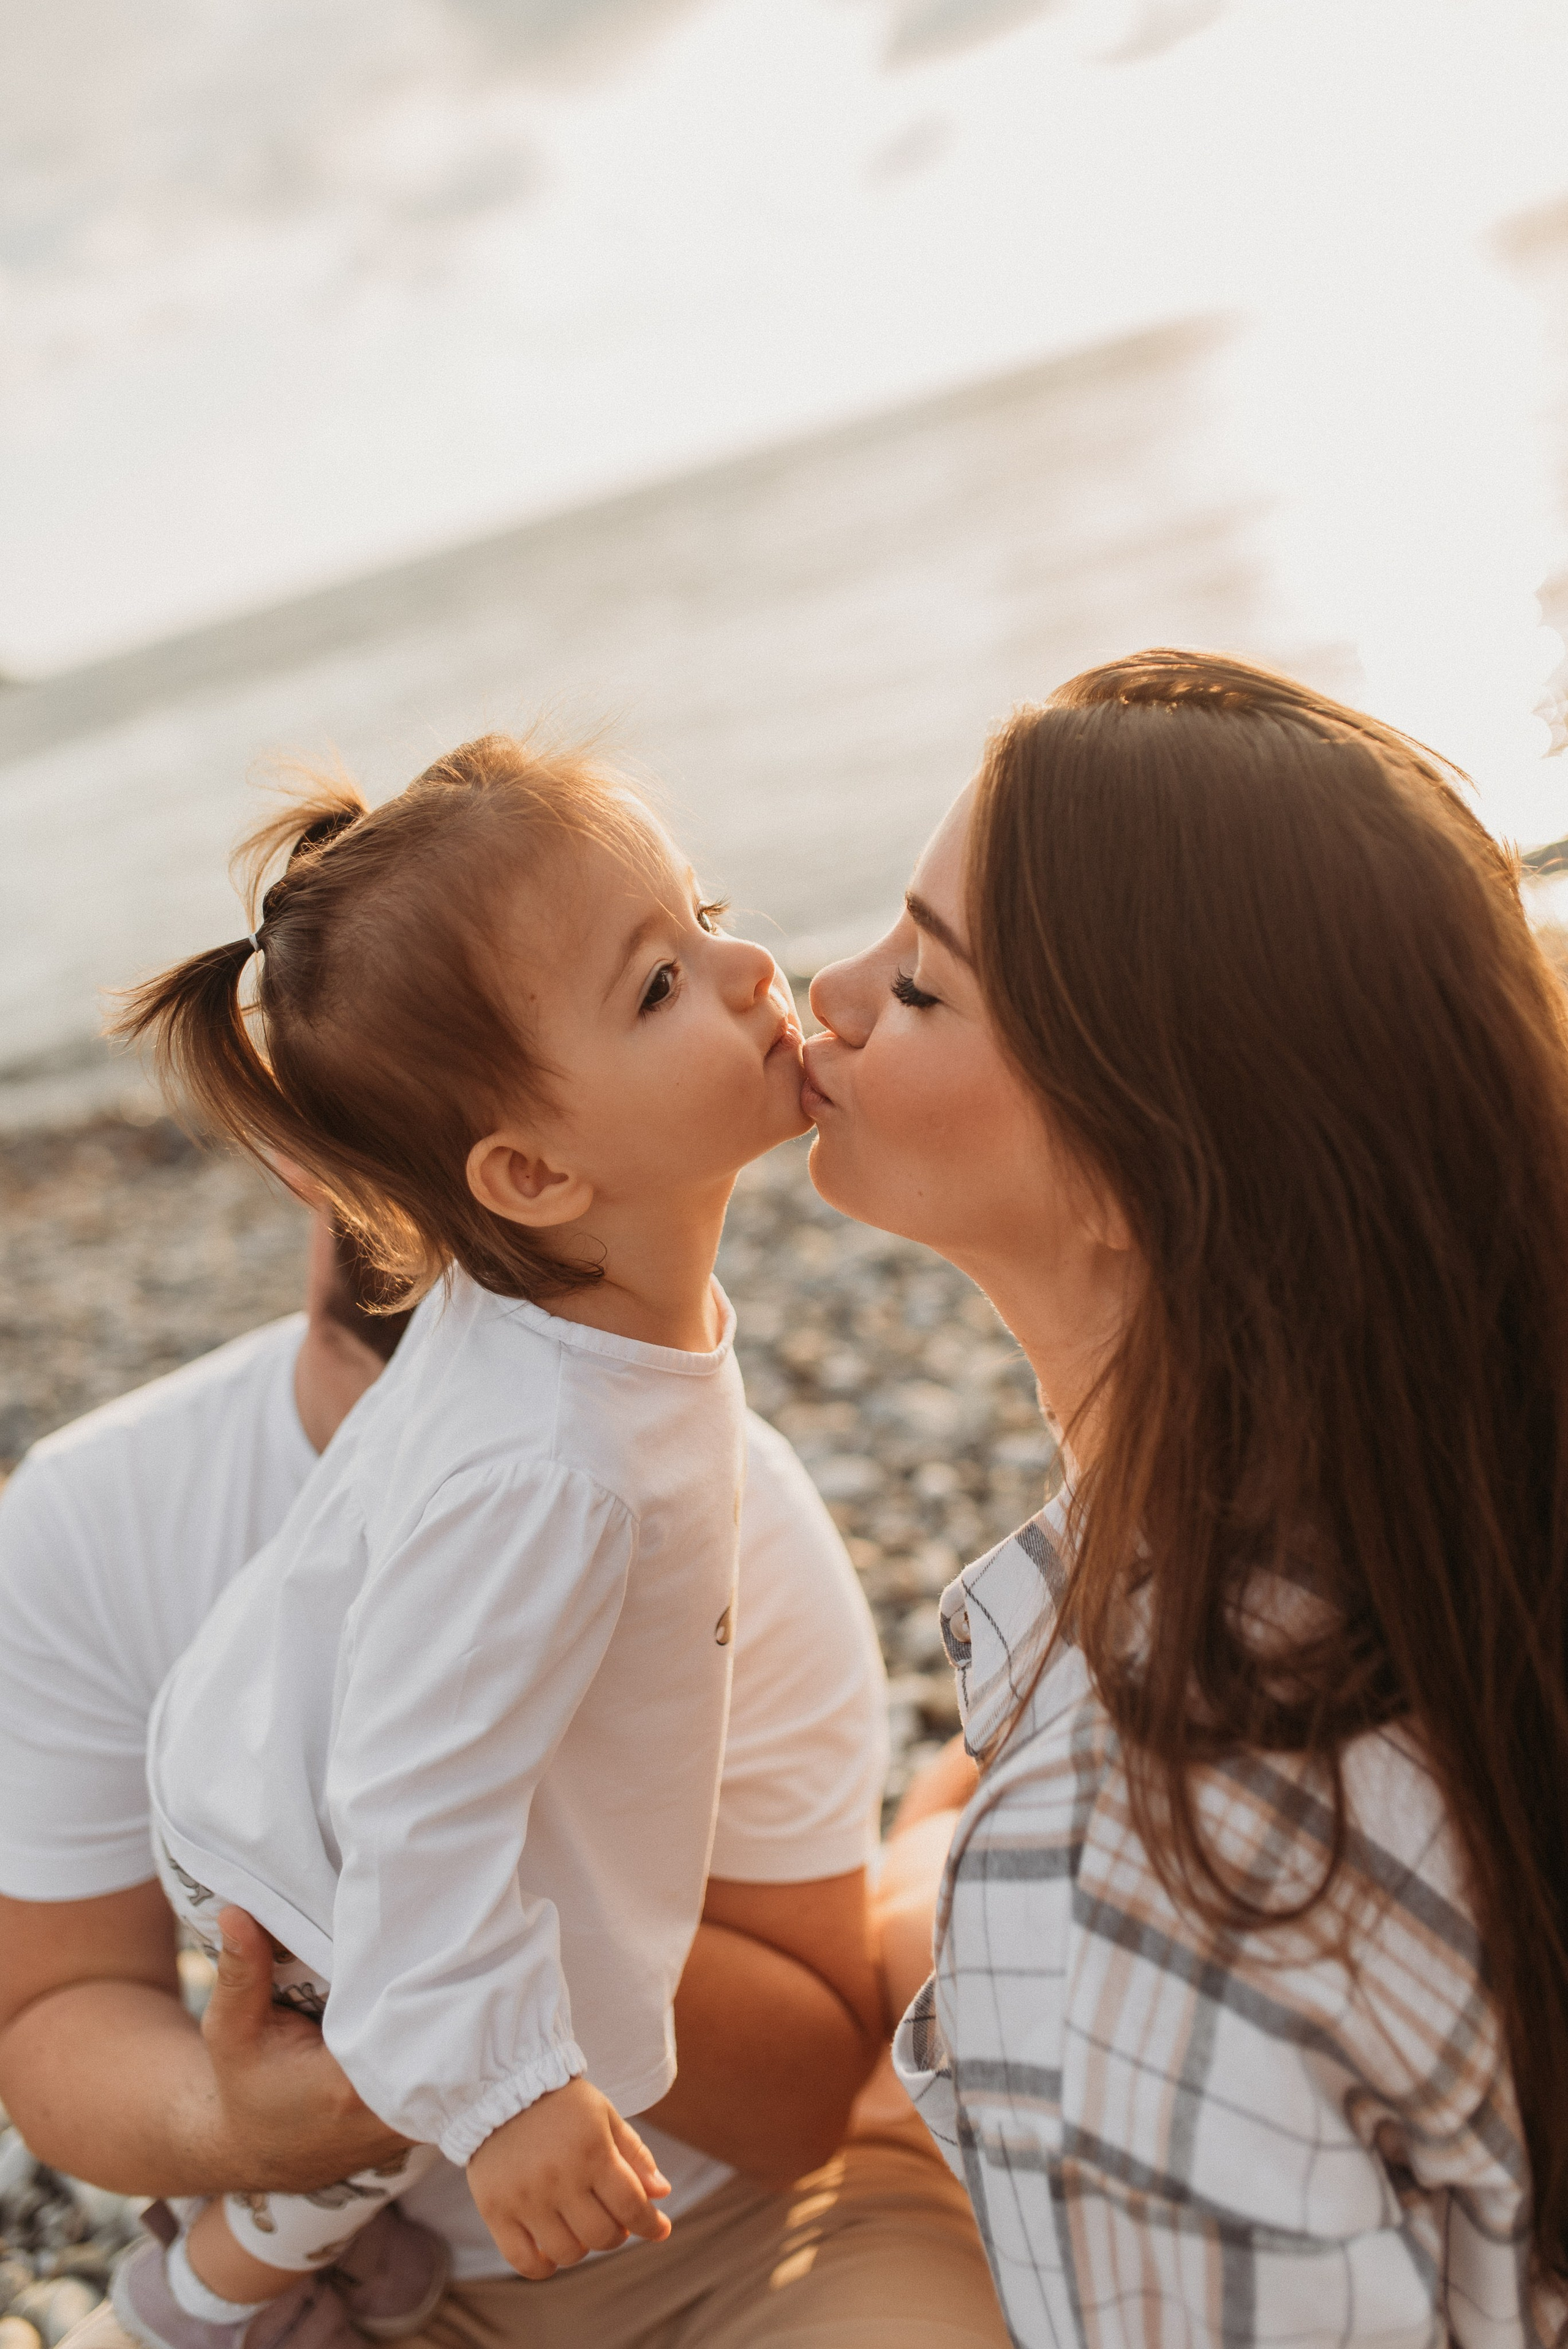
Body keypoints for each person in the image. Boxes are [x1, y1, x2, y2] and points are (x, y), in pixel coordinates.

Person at [802, 649, 1568, 2348]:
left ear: (1132, 1165)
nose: (827, 997)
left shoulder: (1143, 1872)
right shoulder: (1458, 1519)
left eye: (922, 987)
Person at [86, 728, 837, 2349]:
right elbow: (415, 1799)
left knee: (354, 2144)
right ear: (531, 1171)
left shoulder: (561, 1316)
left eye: (706, 911)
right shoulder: (550, 1464)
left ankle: (243, 2287)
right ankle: (173, 2318)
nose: (751, 963)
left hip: (303, 1810)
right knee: (354, 2136)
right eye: (659, 983)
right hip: (319, 1872)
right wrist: (510, 2094)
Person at [0, 1221, 1008, 2349]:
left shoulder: (721, 1509)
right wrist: (244, 2127)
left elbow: (806, 2098)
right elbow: (55, 2011)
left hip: (736, 2245)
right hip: (343, 2284)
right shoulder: (91, 1516)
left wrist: (455, 1893)